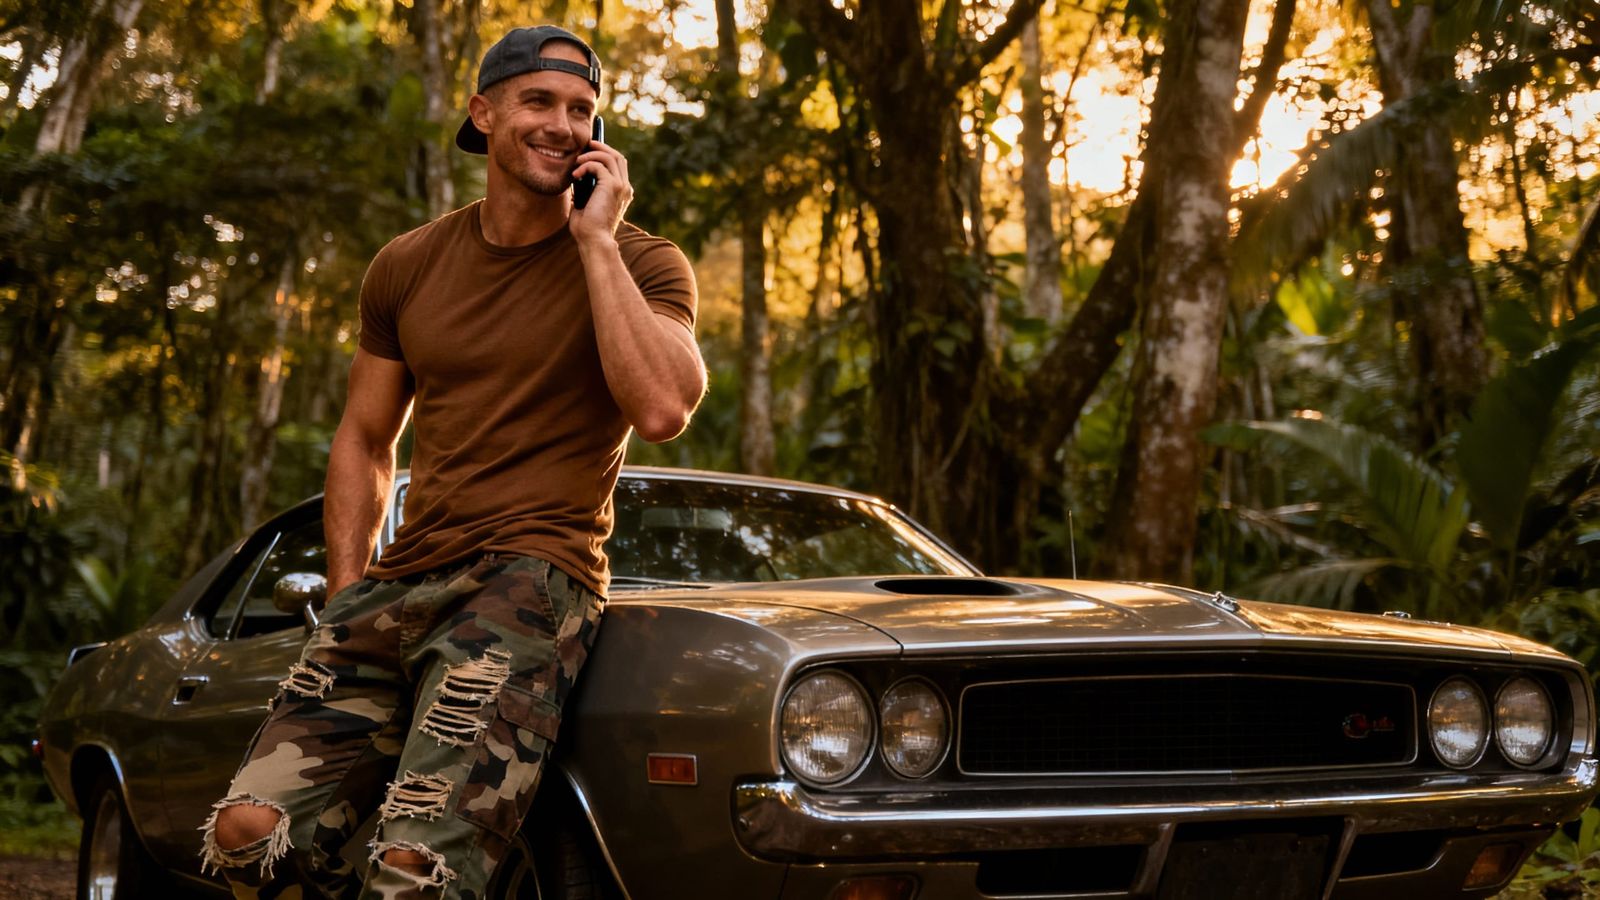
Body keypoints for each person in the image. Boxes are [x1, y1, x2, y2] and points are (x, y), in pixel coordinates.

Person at [198, 25, 704, 899]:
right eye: (539, 101)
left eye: (581, 109)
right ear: (483, 112)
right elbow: (365, 438)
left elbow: (662, 409)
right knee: (246, 835)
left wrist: (596, 242)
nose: (563, 125)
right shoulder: (408, 265)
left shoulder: (641, 262)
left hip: (528, 583)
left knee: (415, 868)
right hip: (399, 584)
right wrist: (347, 591)